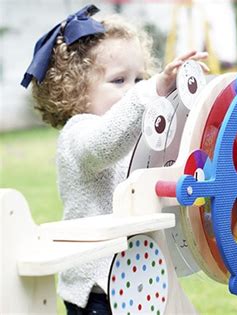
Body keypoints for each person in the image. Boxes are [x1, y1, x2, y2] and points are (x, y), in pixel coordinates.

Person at [21, 5, 208, 314]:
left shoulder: (138, 135)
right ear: (76, 90)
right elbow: (105, 144)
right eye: (119, 80)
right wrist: (151, 91)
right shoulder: (77, 134)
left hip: (141, 275)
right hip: (98, 286)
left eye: (140, 79)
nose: (135, 90)